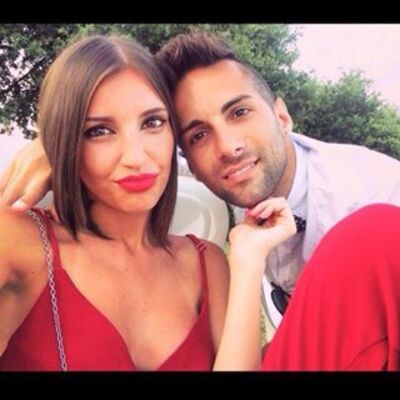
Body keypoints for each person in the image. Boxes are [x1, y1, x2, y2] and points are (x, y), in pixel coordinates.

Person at [2, 32, 400, 371]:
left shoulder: (208, 259)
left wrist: (246, 260)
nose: (136, 156)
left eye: (152, 122)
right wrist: (53, 145)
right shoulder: (19, 239)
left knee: (375, 235)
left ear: (282, 117)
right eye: (99, 131)